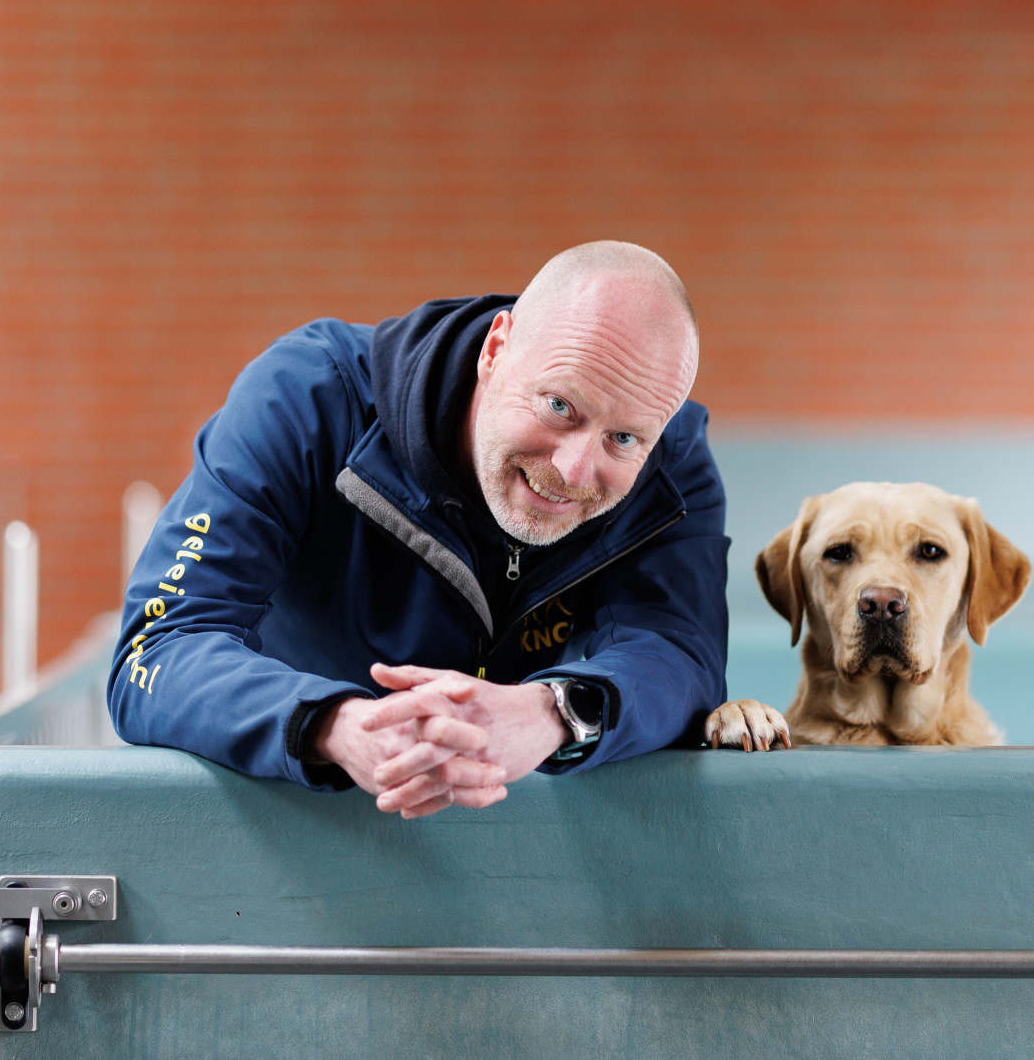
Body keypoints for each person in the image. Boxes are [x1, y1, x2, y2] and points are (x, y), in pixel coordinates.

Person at [108, 241, 727, 818]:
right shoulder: (305, 400)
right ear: (496, 350)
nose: (571, 470)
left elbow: (679, 653)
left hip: (507, 870)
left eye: (623, 439)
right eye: (559, 406)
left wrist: (553, 710)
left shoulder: (669, 468)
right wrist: (338, 726)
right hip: (295, 833)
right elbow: (157, 649)